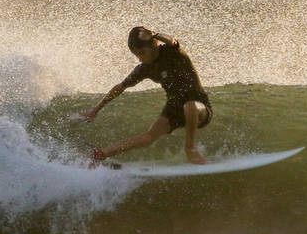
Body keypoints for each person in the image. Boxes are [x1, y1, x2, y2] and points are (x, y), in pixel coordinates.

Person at [80, 26, 212, 165]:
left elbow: (173, 41)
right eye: (136, 55)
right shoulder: (145, 68)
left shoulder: (172, 52)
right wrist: (95, 110)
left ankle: (190, 149)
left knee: (189, 106)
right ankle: (101, 154)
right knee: (147, 138)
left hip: (199, 107)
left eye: (142, 53)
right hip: (174, 108)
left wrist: (155, 35)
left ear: (154, 45)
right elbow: (120, 87)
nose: (139, 59)